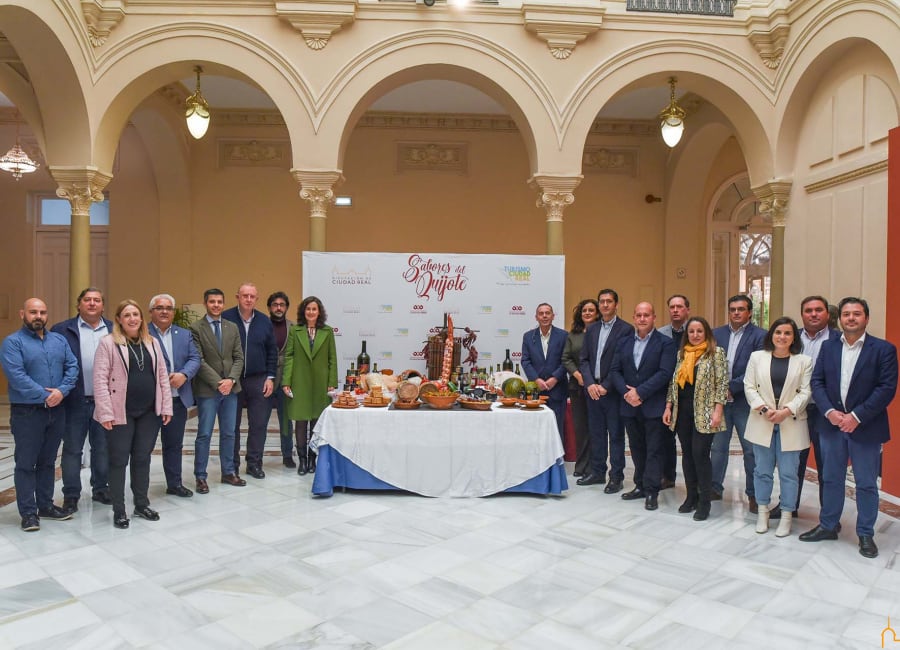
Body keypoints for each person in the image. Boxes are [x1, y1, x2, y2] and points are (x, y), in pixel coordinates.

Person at [800, 297, 898, 559]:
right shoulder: (829, 347)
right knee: (831, 478)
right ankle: (828, 525)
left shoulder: (883, 349)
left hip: (865, 427)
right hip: (831, 425)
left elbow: (886, 389)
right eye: (846, 314)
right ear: (840, 319)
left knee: (866, 483)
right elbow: (817, 382)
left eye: (856, 314)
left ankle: (865, 532)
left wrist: (856, 416)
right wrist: (830, 412)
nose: (851, 318)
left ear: (866, 318)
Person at [93, 300, 173, 529]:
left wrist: (166, 406)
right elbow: (99, 381)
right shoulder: (107, 343)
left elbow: (162, 377)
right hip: (120, 413)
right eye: (127, 315)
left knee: (142, 458)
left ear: (141, 318)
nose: (132, 319)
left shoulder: (152, 342)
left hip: (149, 412)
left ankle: (141, 503)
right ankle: (119, 510)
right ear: (118, 319)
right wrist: (105, 412)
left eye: (135, 314)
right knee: (118, 461)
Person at [1, 298, 78, 532]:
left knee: (47, 462)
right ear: (22, 314)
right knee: (26, 463)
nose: (38, 316)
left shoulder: (59, 340)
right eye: (33, 312)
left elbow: (72, 367)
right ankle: (28, 513)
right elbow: (16, 375)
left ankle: (45, 505)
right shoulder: (12, 343)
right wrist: (46, 395)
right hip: (28, 412)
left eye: (42, 312)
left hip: (57, 411)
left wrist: (62, 392)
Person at [743, 317, 811, 537]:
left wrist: (786, 411)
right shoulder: (757, 357)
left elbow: (806, 392)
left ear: (794, 337)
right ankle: (762, 512)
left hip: (791, 422)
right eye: (778, 332)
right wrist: (764, 409)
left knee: (789, 474)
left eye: (787, 333)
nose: (782, 337)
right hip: (763, 420)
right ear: (771, 334)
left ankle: (786, 516)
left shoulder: (804, 361)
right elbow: (749, 386)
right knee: (762, 471)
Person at [51, 287, 113, 514]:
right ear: (79, 304)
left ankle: (101, 489)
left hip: (104, 401)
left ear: (103, 306)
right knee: (72, 450)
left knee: (102, 448)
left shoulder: (114, 329)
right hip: (74, 400)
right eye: (87, 300)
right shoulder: (62, 330)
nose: (92, 304)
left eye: (97, 300)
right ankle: (71, 494)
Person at [609, 302, 676, 510]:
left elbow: (665, 373)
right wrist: (628, 393)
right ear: (633, 317)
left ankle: (652, 491)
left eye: (647, 315)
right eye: (638, 315)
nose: (642, 319)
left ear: (654, 317)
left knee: (654, 450)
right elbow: (614, 371)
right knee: (637, 449)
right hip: (629, 405)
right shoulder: (624, 342)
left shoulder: (665, 343)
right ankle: (639, 485)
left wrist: (640, 392)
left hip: (653, 405)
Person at [662, 317, 728, 521]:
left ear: (706, 332)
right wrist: (668, 406)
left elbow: (722, 383)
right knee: (688, 455)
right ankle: (691, 496)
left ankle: (704, 501)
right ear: (687, 334)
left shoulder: (716, 353)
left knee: (700, 454)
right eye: (691, 331)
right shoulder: (682, 354)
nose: (695, 335)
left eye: (699, 331)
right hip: (683, 412)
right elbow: (674, 383)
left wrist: (718, 411)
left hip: (705, 413)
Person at [711, 294, 767, 512]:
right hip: (720, 402)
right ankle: (714, 487)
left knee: (751, 450)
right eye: (732, 309)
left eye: (741, 309)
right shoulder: (717, 334)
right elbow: (709, 364)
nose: (736, 312)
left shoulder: (760, 336)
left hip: (746, 401)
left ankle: (753, 495)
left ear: (750, 312)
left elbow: (757, 369)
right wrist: (719, 391)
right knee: (718, 448)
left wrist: (731, 388)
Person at [578, 289, 634, 492]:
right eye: (602, 301)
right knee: (596, 434)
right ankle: (597, 471)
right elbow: (583, 360)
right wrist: (590, 383)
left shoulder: (626, 329)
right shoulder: (592, 329)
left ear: (616, 304)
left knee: (616, 435)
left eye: (609, 301)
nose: (605, 305)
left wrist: (605, 386)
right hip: (592, 390)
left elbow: (622, 362)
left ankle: (616, 477)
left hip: (612, 392)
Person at [190, 288, 245, 493]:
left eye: (219, 302)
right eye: (212, 301)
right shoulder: (196, 328)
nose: (216, 305)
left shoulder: (232, 327)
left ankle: (228, 472)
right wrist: (218, 382)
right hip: (208, 390)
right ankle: (201, 477)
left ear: (223, 303)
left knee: (229, 433)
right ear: (205, 303)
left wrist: (230, 380)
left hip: (230, 389)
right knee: (204, 434)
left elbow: (239, 357)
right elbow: (198, 360)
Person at [148, 293, 201, 497]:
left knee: (174, 445)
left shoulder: (184, 334)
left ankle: (174, 484)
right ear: (151, 312)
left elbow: (195, 358)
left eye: (168, 308)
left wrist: (184, 375)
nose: (164, 311)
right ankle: (140, 489)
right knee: (145, 448)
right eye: (159, 308)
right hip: (150, 401)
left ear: (173, 312)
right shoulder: (141, 333)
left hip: (177, 399)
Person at [223, 283, 277, 479]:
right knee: (231, 425)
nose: (248, 299)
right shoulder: (226, 318)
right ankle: (232, 465)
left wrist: (270, 377)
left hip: (258, 379)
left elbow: (272, 352)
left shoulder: (264, 321)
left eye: (252, 296)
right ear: (237, 296)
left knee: (259, 424)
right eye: (244, 295)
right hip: (232, 380)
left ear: (257, 299)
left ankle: (254, 463)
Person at [795, 296, 841, 512]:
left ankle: (828, 516)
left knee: (827, 466)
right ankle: (789, 506)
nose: (813, 314)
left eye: (818, 310)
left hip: (827, 412)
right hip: (796, 410)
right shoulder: (790, 338)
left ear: (827, 314)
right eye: (808, 310)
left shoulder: (840, 340)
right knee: (793, 463)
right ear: (802, 314)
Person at [283, 296, 338, 474]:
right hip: (300, 382)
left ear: (319, 312)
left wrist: (331, 383)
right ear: (303, 311)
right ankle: (303, 461)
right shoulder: (295, 330)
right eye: (308, 309)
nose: (311, 312)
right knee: (300, 422)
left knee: (316, 422)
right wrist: (286, 381)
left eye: (314, 309)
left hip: (321, 384)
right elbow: (289, 356)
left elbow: (332, 359)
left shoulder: (328, 332)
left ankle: (313, 458)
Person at [657, 294, 691, 490]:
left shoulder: (697, 332)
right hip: (664, 392)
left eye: (679, 307)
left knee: (689, 440)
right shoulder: (661, 334)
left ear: (687, 310)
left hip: (688, 393)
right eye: (672, 307)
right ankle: (667, 476)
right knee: (665, 438)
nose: (676, 310)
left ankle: (692, 481)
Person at [562, 299, 599, 477]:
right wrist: (578, 376)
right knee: (581, 427)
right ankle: (581, 466)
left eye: (591, 310)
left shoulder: (601, 332)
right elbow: (566, 358)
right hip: (577, 387)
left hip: (597, 388)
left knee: (595, 427)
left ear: (597, 313)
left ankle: (594, 467)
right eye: (584, 310)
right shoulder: (574, 334)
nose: (587, 313)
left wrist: (591, 380)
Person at [521, 302, 568, 442]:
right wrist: (536, 380)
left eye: (547, 313)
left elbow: (567, 360)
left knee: (557, 427)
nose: (544, 316)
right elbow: (525, 361)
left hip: (558, 389)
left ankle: (557, 461)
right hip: (536, 391)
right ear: (536, 317)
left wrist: (555, 378)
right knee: (536, 428)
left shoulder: (564, 335)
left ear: (553, 316)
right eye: (541, 313)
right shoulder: (528, 337)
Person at [268, 291, 295, 467]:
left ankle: (287, 455)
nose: (279, 308)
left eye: (282, 305)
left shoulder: (294, 327)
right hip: (266, 380)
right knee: (259, 421)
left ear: (286, 307)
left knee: (286, 420)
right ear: (270, 307)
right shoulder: (261, 325)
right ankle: (254, 458)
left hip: (286, 381)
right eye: (275, 304)